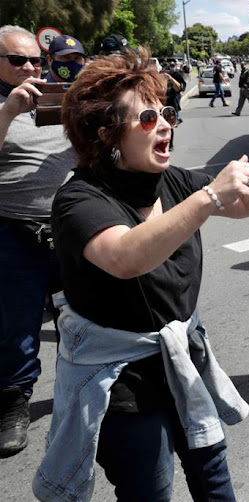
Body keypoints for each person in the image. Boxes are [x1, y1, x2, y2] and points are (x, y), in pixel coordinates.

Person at [31, 48, 249, 501]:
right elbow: (124, 257)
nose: (165, 125)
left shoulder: (173, 179)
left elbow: (242, 204)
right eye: (147, 118)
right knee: (150, 488)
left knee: (213, 477)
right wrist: (208, 198)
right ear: (105, 135)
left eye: (169, 114)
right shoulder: (79, 199)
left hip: (182, 361)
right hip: (121, 379)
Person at [0, 25, 77, 458]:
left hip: (69, 230)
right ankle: (13, 402)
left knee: (80, 319)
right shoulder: (6, 103)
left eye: (35, 60)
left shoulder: (59, 95)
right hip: (12, 231)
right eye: (17, 60)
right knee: (17, 327)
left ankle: (82, 391)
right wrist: (9, 111)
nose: (29, 67)